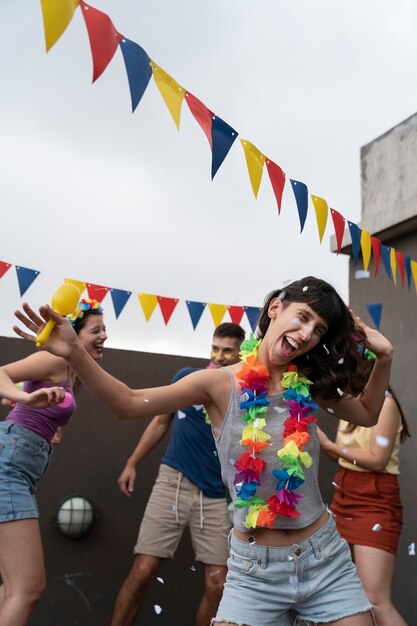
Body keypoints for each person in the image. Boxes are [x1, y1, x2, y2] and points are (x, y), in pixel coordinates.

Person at [14, 276, 394, 626]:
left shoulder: (308, 383)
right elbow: (127, 403)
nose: (307, 333)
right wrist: (75, 354)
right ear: (276, 308)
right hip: (254, 570)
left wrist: (385, 358)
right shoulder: (217, 383)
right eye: (304, 316)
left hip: (323, 559)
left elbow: (366, 413)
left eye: (318, 330)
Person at [112, 322, 245, 626]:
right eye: (215, 348)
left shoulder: (246, 394)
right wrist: (132, 462)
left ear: (240, 354)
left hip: (214, 494)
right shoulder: (189, 379)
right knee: (143, 571)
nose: (220, 356)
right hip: (173, 480)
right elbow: (160, 422)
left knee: (218, 585)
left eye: (227, 350)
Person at [0, 298, 107, 626]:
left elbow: (38, 410)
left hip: (21, 462)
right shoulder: (53, 360)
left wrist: (49, 430)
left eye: (105, 330)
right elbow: (2, 374)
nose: (103, 336)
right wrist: (24, 397)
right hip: (9, 465)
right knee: (27, 588)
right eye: (96, 330)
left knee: (12, 589)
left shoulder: (72, 372)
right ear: (72, 334)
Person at [318, 380, 410, 626]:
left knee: (376, 601)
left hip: (375, 498)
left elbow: (377, 460)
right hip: (344, 493)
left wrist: (329, 445)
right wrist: (317, 439)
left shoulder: (386, 404)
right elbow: (341, 456)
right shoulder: (350, 403)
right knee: (334, 596)